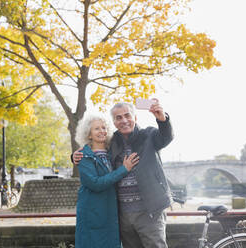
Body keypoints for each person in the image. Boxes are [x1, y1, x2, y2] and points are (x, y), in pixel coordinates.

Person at [73, 99, 174, 248]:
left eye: (127, 116)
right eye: (118, 118)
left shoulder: (149, 135)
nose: (124, 120)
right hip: (122, 215)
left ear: (135, 118)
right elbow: (95, 149)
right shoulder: (112, 142)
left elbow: (166, 137)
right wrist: (75, 156)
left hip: (149, 212)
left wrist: (163, 120)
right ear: (114, 122)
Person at [74, 112, 139, 248]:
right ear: (89, 134)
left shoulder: (111, 152)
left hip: (111, 212)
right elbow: (95, 184)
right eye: (97, 128)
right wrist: (124, 169)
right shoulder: (84, 156)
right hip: (93, 212)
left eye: (104, 128)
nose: (102, 131)